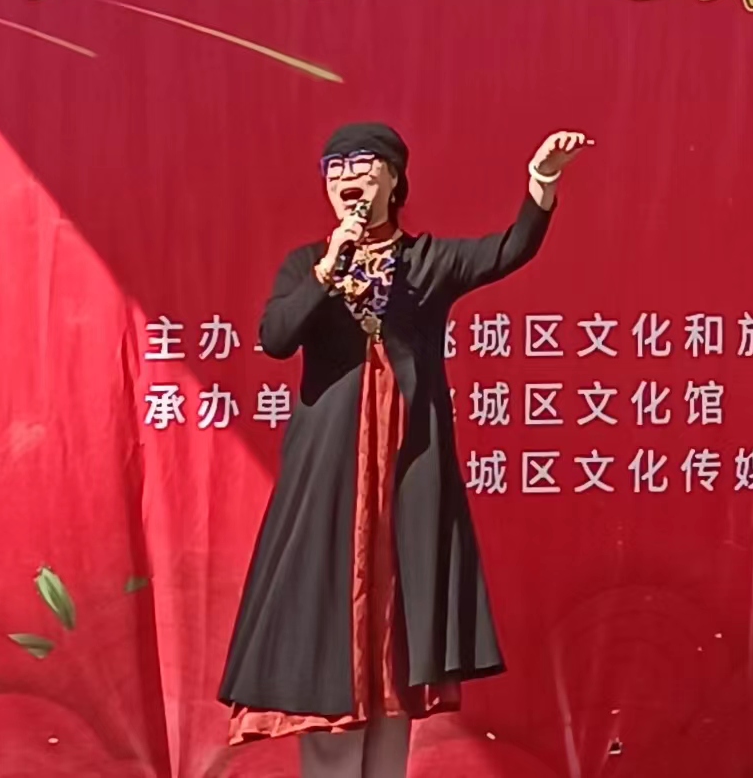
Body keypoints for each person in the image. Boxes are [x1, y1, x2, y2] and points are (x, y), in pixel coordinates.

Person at [220, 123, 592, 778]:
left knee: (393, 654)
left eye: (362, 164)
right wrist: (330, 267)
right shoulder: (308, 263)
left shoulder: (426, 264)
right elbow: (276, 337)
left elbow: (508, 249)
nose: (347, 177)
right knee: (328, 640)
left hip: (406, 474)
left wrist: (542, 183)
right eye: (334, 167)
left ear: (394, 178)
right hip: (330, 479)